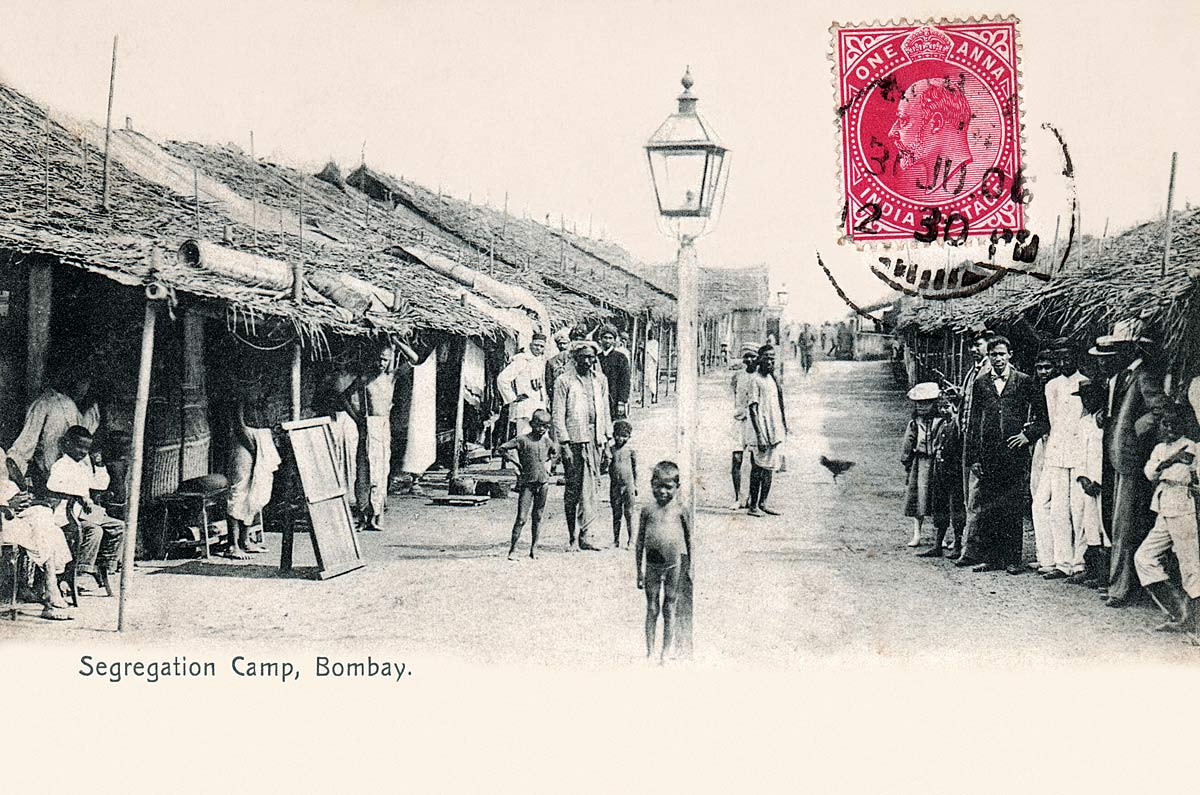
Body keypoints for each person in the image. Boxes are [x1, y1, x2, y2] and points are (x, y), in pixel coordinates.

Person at [1093, 320, 1167, 608]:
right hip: (1115, 459)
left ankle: (1120, 588)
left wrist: (1137, 429)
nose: (1116, 354)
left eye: (1120, 348)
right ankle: (1120, 583)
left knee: (1125, 526)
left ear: (1133, 348)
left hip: (1131, 461)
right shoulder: (1122, 377)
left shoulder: (1143, 376)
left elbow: (1160, 410)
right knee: (1115, 523)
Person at [964, 336, 1047, 575]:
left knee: (1012, 506)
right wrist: (974, 457)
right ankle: (991, 558)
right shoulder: (981, 383)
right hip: (989, 454)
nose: (998, 359)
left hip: (1014, 453)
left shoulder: (1024, 381)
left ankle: (1012, 558)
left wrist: (1027, 435)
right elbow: (973, 422)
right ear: (988, 357)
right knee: (989, 504)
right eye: (994, 355)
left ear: (1010, 354)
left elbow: (1043, 416)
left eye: (1002, 354)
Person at [1134, 404, 1199, 631]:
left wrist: (1171, 466)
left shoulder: (1193, 447)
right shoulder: (1160, 448)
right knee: (1144, 557)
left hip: (1184, 508)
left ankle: (1196, 623)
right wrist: (1170, 460)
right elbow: (1150, 472)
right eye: (1165, 423)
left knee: (1191, 566)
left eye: (1174, 423)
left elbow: (1187, 476)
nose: (1170, 427)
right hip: (1163, 507)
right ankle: (1178, 612)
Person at [45, 426, 124, 593]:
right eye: (79, 446)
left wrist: (100, 465)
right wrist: (79, 496)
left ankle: (103, 562)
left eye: (86, 448)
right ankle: (79, 570)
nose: (83, 452)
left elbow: (98, 485)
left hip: (85, 511)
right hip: (67, 512)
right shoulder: (61, 465)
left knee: (118, 527)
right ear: (67, 444)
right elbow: (51, 486)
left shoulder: (82, 466)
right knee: (94, 531)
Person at [1038, 343, 1091, 580]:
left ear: (1076, 358)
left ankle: (1080, 562)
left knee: (1078, 509)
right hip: (1058, 452)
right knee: (1058, 509)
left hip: (1080, 452)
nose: (1063, 363)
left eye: (1067, 358)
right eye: (1059, 359)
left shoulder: (1086, 383)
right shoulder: (1052, 386)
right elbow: (1054, 421)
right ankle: (1062, 562)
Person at [0, 444, 73, 619]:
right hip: (2, 519)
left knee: (44, 516)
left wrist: (24, 501)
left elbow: (7, 483)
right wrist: (6, 505)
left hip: (12, 515)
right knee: (48, 529)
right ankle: (51, 590)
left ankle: (49, 588)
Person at [552, 340, 612, 551]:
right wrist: (564, 444)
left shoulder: (600, 380)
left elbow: (605, 411)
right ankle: (572, 537)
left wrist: (607, 440)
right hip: (575, 442)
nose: (587, 361)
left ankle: (587, 535)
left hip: (596, 440)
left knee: (592, 490)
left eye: (590, 357)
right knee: (574, 489)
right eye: (583, 357)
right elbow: (558, 415)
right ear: (575, 358)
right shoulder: (564, 381)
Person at [635, 460, 692, 663]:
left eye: (668, 487)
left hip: (673, 566)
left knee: (669, 607)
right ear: (651, 484)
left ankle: (665, 652)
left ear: (677, 487)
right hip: (651, 566)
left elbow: (688, 540)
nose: (662, 492)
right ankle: (650, 652)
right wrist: (638, 571)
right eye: (657, 486)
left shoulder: (680, 511)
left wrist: (689, 568)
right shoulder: (647, 510)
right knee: (651, 608)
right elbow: (639, 541)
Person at [8, 371, 99, 493]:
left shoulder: (73, 407)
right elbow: (21, 450)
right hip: (47, 478)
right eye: (82, 382)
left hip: (70, 481)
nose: (84, 388)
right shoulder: (45, 403)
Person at [953, 328, 993, 566]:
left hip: (981, 441)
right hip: (967, 437)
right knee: (969, 495)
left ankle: (973, 550)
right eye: (972, 345)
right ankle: (970, 546)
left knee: (978, 495)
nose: (973, 349)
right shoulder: (974, 370)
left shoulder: (990, 372)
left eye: (978, 344)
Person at [498, 409, 557, 560]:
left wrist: (549, 466)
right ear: (532, 424)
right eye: (539, 425)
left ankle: (534, 549)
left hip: (543, 483)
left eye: (545, 426)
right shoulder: (522, 440)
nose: (542, 429)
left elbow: (554, 452)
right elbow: (502, 448)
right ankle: (512, 550)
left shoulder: (546, 441)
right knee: (521, 518)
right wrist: (516, 463)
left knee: (538, 516)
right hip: (527, 484)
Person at [1068, 377, 1109, 587]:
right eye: (1084, 397)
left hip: (1103, 482)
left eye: (1091, 396)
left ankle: (1107, 576)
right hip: (1087, 483)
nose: (1087, 401)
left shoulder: (1106, 421)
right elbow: (1078, 453)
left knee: (1105, 525)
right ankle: (1092, 569)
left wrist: (1099, 481)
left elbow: (1106, 455)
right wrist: (1083, 478)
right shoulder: (1084, 423)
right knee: (1089, 525)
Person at [918, 391, 967, 559]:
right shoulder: (941, 425)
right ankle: (937, 545)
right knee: (940, 507)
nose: (944, 410)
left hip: (954, 473)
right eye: (941, 407)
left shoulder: (958, 426)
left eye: (947, 406)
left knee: (956, 510)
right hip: (940, 472)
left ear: (954, 407)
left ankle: (958, 546)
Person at [313, 359, 360, 518]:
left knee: (349, 461)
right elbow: (319, 403)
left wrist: (354, 417)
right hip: (331, 421)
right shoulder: (328, 378)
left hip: (346, 422)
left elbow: (346, 398)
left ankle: (347, 499)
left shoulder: (355, 376)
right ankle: (333, 502)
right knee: (333, 460)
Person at [1027, 348, 1060, 574]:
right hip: (1042, 443)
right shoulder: (1037, 387)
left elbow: (1053, 421)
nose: (1043, 372)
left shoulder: (1060, 387)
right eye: (1039, 368)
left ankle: (1056, 558)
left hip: (1056, 445)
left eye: (1047, 367)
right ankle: (1044, 555)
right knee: (1036, 494)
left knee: (1050, 502)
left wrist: (1032, 431)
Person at [746, 344, 788, 517]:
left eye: (773, 358)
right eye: (767, 358)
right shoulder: (754, 380)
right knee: (757, 468)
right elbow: (753, 409)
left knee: (770, 468)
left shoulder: (772, 379)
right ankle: (753, 505)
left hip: (773, 429)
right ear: (759, 359)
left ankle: (763, 502)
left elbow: (778, 405)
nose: (770, 361)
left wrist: (783, 426)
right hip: (761, 431)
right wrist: (760, 435)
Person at [901, 382, 942, 548]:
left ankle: (940, 536)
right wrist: (907, 461)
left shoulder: (941, 421)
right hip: (921, 462)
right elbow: (908, 443)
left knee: (938, 499)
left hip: (938, 463)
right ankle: (917, 533)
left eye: (927, 403)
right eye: (919, 403)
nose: (923, 407)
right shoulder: (914, 423)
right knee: (919, 499)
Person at [497, 333, 548, 438]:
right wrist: (512, 398)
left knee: (540, 440)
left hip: (539, 406)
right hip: (526, 406)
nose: (538, 348)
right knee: (525, 437)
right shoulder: (521, 360)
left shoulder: (540, 362)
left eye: (541, 346)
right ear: (530, 345)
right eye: (536, 345)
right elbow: (502, 379)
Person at [729, 345, 758, 510]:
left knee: (755, 460)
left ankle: (752, 499)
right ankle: (738, 498)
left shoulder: (760, 377)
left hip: (754, 422)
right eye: (746, 356)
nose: (749, 360)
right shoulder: (737, 376)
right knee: (736, 459)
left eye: (753, 356)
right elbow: (735, 395)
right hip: (739, 420)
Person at [609, 419, 638, 548]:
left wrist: (635, 485)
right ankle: (616, 540)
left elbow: (635, 469)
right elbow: (607, 468)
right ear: (614, 435)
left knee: (629, 513)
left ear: (629, 437)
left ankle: (631, 540)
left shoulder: (630, 451)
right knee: (616, 514)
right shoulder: (611, 450)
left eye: (624, 436)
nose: (621, 438)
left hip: (629, 485)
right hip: (615, 486)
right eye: (618, 435)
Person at [597, 324, 631, 420]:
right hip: (599, 398)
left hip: (615, 398)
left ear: (614, 340)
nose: (607, 341)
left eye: (610, 338)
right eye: (605, 338)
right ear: (601, 339)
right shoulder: (596, 358)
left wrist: (622, 402)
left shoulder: (621, 358)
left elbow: (625, 381)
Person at [643, 331, 660, 404]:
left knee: (652, 379)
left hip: (652, 363)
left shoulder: (655, 343)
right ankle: (644, 397)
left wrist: (648, 351)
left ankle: (653, 396)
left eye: (652, 334)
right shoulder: (646, 342)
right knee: (645, 380)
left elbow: (655, 353)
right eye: (650, 334)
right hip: (646, 363)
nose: (651, 335)